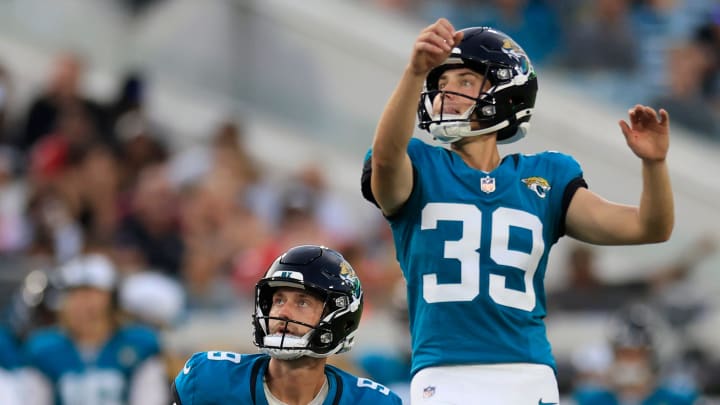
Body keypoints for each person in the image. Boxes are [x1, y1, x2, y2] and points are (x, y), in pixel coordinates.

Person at [361, 18, 674, 404]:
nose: (446, 94)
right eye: (440, 84)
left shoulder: (545, 176)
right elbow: (387, 160)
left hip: (528, 374)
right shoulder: (419, 165)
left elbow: (649, 227)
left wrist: (655, 166)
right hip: (445, 372)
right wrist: (414, 72)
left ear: (506, 90)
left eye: (463, 81)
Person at [172, 244, 403, 405]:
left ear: (340, 316)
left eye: (302, 302)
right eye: (278, 299)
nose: (282, 312)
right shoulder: (210, 381)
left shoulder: (371, 401)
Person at [22, 253, 169, 405]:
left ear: (111, 299)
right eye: (74, 294)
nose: (81, 303)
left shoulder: (140, 344)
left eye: (89, 293)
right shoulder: (44, 349)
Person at [572, 304, 698, 405]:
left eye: (638, 354)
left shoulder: (679, 399)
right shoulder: (590, 400)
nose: (630, 361)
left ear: (653, 357)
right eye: (624, 353)